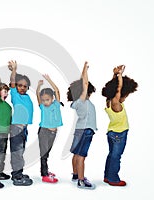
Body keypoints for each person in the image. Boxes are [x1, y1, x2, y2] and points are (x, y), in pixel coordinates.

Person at [102, 65, 138, 186]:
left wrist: (114, 75)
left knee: (111, 155)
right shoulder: (116, 103)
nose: (125, 98)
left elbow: (114, 88)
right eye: (125, 95)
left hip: (111, 133)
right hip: (119, 135)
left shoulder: (109, 100)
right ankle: (113, 179)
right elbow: (118, 88)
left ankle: (107, 176)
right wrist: (120, 75)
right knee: (116, 157)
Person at [67, 61, 96, 189]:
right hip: (85, 131)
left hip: (80, 130)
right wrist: (84, 69)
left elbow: (81, 84)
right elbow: (84, 83)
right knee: (81, 156)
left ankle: (75, 175)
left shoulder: (77, 102)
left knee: (76, 154)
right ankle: (81, 180)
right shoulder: (82, 100)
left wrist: (83, 73)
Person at [8, 60, 33, 186]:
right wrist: (14, 70)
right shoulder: (15, 95)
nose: (22, 88)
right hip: (16, 128)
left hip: (23, 129)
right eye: (20, 85)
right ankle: (17, 176)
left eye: (25, 86)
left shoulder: (27, 96)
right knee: (16, 152)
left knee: (20, 151)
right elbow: (12, 81)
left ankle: (18, 172)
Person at [36, 74, 63, 183]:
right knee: (43, 154)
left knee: (47, 153)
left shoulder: (56, 104)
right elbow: (37, 94)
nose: (45, 102)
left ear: (52, 98)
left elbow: (56, 90)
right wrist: (38, 86)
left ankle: (46, 171)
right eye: (43, 100)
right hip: (44, 132)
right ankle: (44, 175)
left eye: (47, 100)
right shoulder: (42, 106)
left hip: (53, 133)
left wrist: (49, 80)